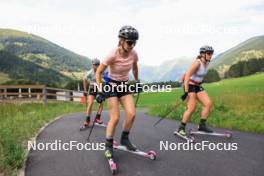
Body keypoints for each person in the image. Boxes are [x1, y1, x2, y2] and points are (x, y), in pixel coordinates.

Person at [95, 25, 141, 159]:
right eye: (129, 42)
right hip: (112, 85)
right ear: (121, 40)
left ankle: (124, 139)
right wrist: (100, 90)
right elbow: (98, 72)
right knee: (115, 118)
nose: (132, 45)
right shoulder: (112, 54)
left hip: (124, 85)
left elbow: (135, 68)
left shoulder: (134, 54)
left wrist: (137, 82)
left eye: (134, 42)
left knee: (132, 114)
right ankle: (108, 145)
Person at [177, 45, 215, 136]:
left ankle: (202, 125)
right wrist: (186, 92)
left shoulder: (207, 62)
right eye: (209, 53)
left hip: (197, 86)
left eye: (211, 54)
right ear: (202, 54)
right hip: (190, 85)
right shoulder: (197, 63)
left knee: (208, 104)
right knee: (192, 108)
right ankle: (181, 128)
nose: (210, 55)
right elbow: (187, 76)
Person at [81, 58, 104, 128]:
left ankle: (98, 118)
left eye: (98, 65)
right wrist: (85, 91)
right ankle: (87, 120)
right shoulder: (90, 72)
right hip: (92, 87)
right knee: (90, 103)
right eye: (95, 65)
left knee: (101, 103)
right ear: (92, 65)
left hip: (99, 87)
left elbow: (102, 79)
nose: (96, 66)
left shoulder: (101, 71)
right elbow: (84, 80)